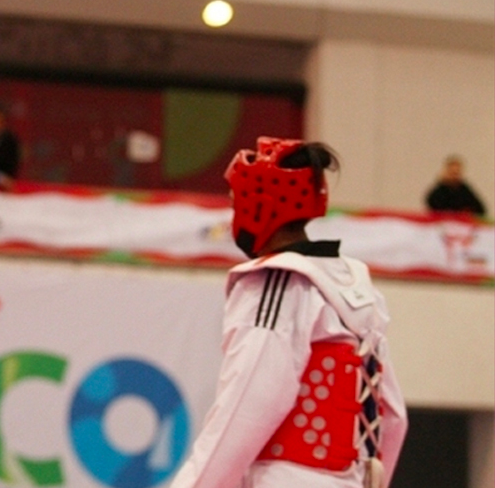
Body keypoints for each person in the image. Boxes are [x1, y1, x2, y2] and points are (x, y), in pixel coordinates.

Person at [170, 137, 407, 488]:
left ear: (258, 205)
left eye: (236, 204)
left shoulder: (278, 283)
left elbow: (246, 408)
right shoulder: (357, 289)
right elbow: (392, 417)